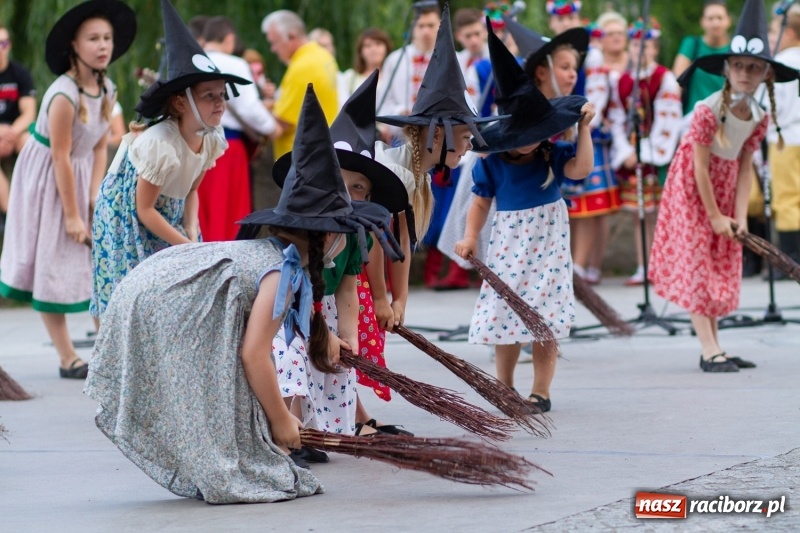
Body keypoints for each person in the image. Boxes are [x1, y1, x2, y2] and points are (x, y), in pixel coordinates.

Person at [85, 81, 402, 503]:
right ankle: (213, 467)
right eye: (341, 232)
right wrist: (281, 422)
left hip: (154, 288)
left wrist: (328, 343)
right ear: (324, 238)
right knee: (213, 392)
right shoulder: (283, 273)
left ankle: (218, 459)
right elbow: (254, 355)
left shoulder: (280, 258)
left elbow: (293, 327)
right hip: (157, 302)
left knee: (228, 395)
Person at [651, 0, 799, 372]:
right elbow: (699, 167)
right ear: (727, 70)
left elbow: (746, 166)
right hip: (692, 188)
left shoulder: (760, 116)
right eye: (739, 66)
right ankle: (707, 350)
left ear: (766, 73)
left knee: (718, 261)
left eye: (753, 67)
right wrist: (715, 215)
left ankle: (717, 344)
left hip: (726, 185)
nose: (745, 74)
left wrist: (738, 215)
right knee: (699, 262)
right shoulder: (707, 109)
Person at [455, 24, 594, 413]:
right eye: (523, 133)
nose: (531, 140)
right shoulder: (494, 163)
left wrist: (584, 130)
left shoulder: (553, 153)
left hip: (548, 242)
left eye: (537, 131)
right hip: (510, 246)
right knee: (506, 315)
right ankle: (505, 386)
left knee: (544, 317)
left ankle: (541, 391)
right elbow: (481, 202)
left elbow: (582, 170)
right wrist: (470, 236)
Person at [269, 71, 411, 442]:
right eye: (339, 185)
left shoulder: (353, 235)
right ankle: (287, 433)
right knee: (294, 363)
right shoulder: (297, 233)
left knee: (332, 371)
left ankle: (321, 433)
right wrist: (323, 331)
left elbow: (348, 290)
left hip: (328, 308)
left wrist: (349, 340)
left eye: (358, 188)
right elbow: (290, 295)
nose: (348, 195)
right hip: (286, 316)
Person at [91, 0, 252, 319]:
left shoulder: (210, 138)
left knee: (183, 286)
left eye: (222, 95)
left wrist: (191, 232)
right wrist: (184, 244)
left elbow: (192, 191)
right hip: (130, 214)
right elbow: (144, 209)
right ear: (180, 102)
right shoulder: (160, 144)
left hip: (172, 210)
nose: (220, 104)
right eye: (210, 96)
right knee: (137, 294)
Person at [0, 0, 135, 379]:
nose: (103, 45)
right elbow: (60, 156)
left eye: (107, 37)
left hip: (79, 175)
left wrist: (94, 198)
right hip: (48, 179)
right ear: (74, 45)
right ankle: (66, 356)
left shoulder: (107, 88)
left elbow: (96, 146)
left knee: (93, 260)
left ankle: (107, 345)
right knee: (51, 261)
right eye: (93, 38)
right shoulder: (63, 95)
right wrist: (72, 214)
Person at [377, 4, 499, 323]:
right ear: (436, 137)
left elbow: (402, 240)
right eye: (464, 134)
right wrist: (380, 297)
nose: (471, 142)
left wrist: (400, 299)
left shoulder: (421, 177)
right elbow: (374, 241)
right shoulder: (393, 172)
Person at [607, 19, 682, 286]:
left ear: (655, 48)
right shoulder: (623, 80)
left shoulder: (664, 77)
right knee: (640, 214)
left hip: (655, 157)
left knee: (659, 214)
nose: (641, 50)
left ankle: (666, 265)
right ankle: (644, 264)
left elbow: (668, 121)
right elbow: (616, 118)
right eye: (636, 44)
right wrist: (627, 150)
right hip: (633, 156)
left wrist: (645, 152)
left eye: (646, 45)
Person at [200, 16, 280, 241]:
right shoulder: (235, 64)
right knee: (228, 211)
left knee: (202, 211)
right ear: (229, 39)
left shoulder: (192, 61)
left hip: (194, 144)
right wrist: (271, 127)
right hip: (228, 146)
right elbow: (248, 108)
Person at [564, 11, 624, 285]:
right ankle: (578, 263)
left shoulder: (593, 54)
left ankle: (584, 265)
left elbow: (596, 97)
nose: (566, 23)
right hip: (568, 133)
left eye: (571, 18)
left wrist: (577, 123)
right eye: (561, 19)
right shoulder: (563, 50)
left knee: (592, 206)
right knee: (575, 206)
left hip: (589, 133)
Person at [261, 10, 338, 159]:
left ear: (291, 36)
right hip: (322, 148)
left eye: (274, 42)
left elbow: (284, 122)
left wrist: (256, 110)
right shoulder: (323, 55)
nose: (273, 49)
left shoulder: (302, 67)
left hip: (301, 159)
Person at [765, 4, 800, 274]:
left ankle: (790, 261)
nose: (770, 36)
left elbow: (771, 104)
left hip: (786, 137)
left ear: (789, 32)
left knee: (787, 199)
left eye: (774, 30)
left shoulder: (783, 61)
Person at [376, 4, 440, 132]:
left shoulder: (452, 58)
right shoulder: (395, 60)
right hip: (403, 133)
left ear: (440, 25)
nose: (426, 31)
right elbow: (384, 101)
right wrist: (400, 110)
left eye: (431, 25)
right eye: (421, 26)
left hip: (440, 132)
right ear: (413, 27)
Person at [672, 0, 731, 129]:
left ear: (728, 20)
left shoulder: (735, 51)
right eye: (710, 18)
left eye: (720, 18)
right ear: (702, 21)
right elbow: (676, 83)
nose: (715, 23)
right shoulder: (692, 45)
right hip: (693, 121)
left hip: (726, 123)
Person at [0, 23, 37, 221]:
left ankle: (32, 199)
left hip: (16, 132)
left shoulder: (20, 73)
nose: (0, 48)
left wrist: (9, 134)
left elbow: (29, 112)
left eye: (3, 43)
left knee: (30, 142)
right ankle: (8, 213)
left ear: (9, 45)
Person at [338, 28, 393, 110]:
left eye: (378, 44)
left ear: (386, 48)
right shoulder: (350, 76)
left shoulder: (394, 75)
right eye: (368, 46)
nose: (373, 49)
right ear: (360, 52)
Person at [454, 7, 489, 78]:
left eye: (477, 34)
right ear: (458, 36)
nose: (474, 40)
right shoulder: (456, 62)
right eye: (468, 36)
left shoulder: (496, 57)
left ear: (485, 31)